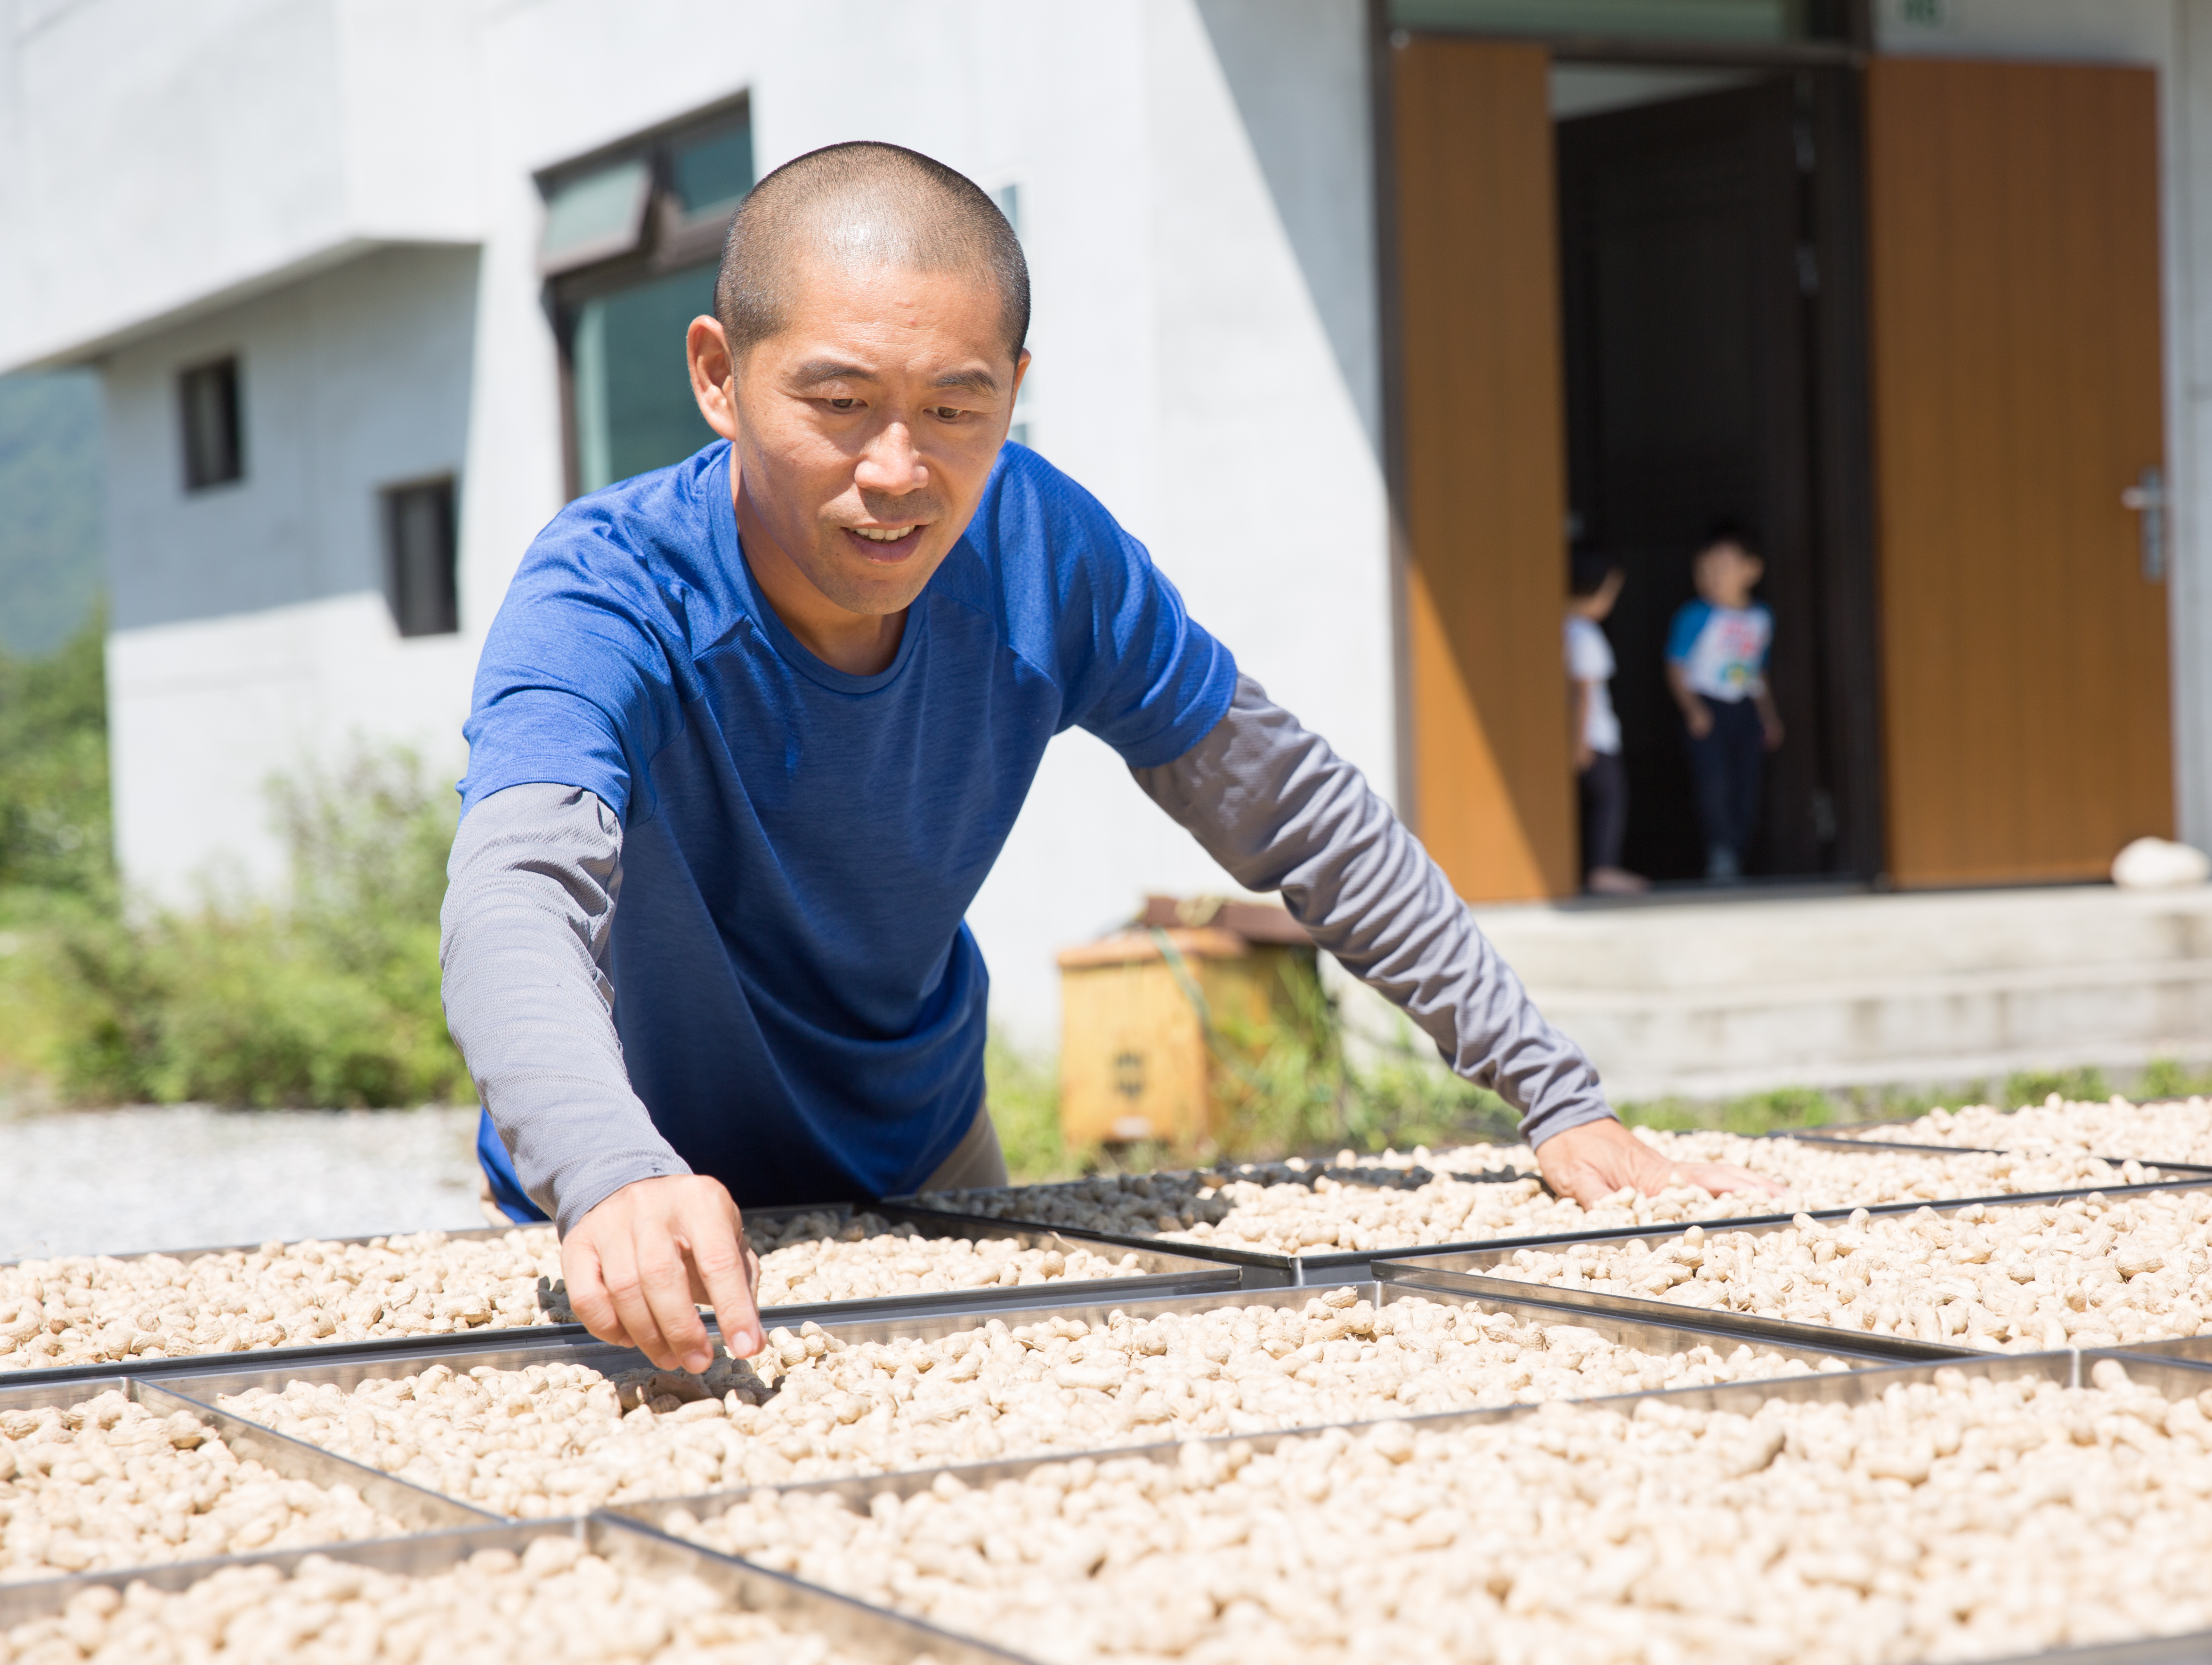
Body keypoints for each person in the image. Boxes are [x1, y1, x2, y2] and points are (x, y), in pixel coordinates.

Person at [444, 142, 1770, 1374]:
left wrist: (1555, 1096)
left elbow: (1294, 810)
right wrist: (611, 1171)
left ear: (1015, 394)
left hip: (924, 1152)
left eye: (956, 409)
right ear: (719, 375)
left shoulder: (1045, 554)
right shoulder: (604, 591)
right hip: (629, 1185)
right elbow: (517, 895)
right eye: (839, 403)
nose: (899, 470)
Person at [1665, 521, 1783, 883]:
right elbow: (1675, 666)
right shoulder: (1693, 616)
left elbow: (1758, 673)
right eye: (1705, 570)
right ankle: (1720, 854)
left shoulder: (1762, 617)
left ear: (1751, 570)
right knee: (1712, 784)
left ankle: (1738, 852)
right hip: (1708, 706)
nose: (1712, 577)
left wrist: (1770, 718)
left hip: (1744, 707)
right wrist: (1693, 709)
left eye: (1723, 568)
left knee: (1746, 785)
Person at [1564, 548, 1645, 896]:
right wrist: (1580, 742)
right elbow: (1583, 694)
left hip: (1582, 737)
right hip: (1595, 737)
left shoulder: (1560, 630)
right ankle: (1602, 869)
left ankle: (1593, 867)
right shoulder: (1584, 634)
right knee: (1611, 801)